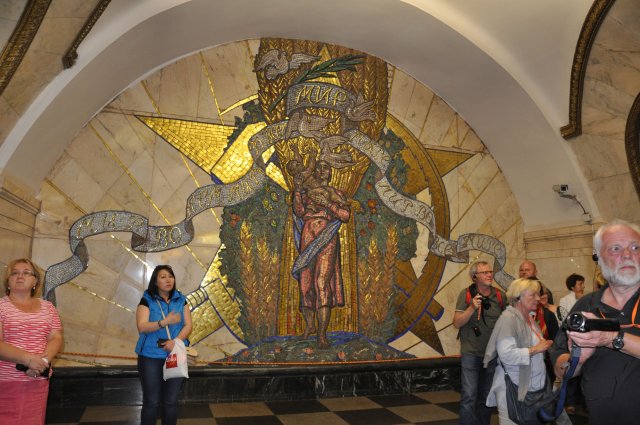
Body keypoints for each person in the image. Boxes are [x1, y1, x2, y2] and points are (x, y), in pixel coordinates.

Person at [550, 219, 640, 424]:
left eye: (635, 247)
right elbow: (560, 369)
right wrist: (576, 360)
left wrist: (611, 338)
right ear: (598, 258)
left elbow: (609, 338)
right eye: (616, 248)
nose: (627, 255)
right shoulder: (585, 306)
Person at [484, 278, 571, 425]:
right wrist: (536, 349)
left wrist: (546, 346)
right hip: (513, 389)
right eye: (533, 295)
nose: (538, 298)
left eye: (538, 294)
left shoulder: (528, 318)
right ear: (518, 297)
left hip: (532, 388)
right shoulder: (508, 319)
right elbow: (507, 355)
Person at [291, 158, 351, 348]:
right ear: (314, 172)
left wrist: (328, 204)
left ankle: (322, 334)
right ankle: (310, 327)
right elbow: (299, 211)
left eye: (326, 168)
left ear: (331, 173)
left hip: (326, 235)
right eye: (319, 168)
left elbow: (345, 215)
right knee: (305, 284)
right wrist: (297, 190)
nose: (323, 170)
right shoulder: (307, 192)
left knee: (321, 282)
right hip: (308, 234)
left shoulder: (335, 193)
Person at [0, 258, 64, 425]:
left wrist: (42, 363)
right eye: (15, 273)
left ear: (35, 281)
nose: (20, 276)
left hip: (37, 380)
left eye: (26, 273)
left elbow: (56, 337)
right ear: (8, 281)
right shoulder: (1, 307)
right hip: (7, 382)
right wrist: (29, 360)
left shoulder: (48, 307)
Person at [135, 265, 192, 425]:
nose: (168, 280)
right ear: (155, 281)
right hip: (150, 357)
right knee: (151, 401)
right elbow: (142, 326)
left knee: (171, 401)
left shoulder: (181, 300)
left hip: (175, 354)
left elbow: (188, 325)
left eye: (170, 276)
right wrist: (164, 322)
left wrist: (175, 342)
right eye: (163, 277)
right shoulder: (147, 300)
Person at [453, 260, 507, 425]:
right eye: (484, 272)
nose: (489, 275)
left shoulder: (500, 296)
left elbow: (507, 323)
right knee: (469, 396)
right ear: (474, 277)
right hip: (471, 353)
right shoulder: (466, 294)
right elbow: (457, 322)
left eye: (490, 272)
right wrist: (471, 308)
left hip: (491, 354)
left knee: (486, 396)